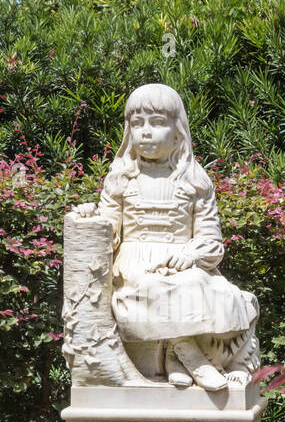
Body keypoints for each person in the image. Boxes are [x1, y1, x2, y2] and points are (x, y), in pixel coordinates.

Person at [76, 83, 258, 390]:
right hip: (134, 265)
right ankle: (190, 356)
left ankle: (178, 355)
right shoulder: (120, 177)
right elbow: (108, 230)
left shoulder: (195, 179)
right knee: (152, 285)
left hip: (183, 262)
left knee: (212, 289)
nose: (146, 132)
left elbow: (211, 239)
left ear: (178, 131)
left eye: (157, 122)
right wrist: (89, 216)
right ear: (128, 130)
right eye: (137, 124)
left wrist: (190, 255)